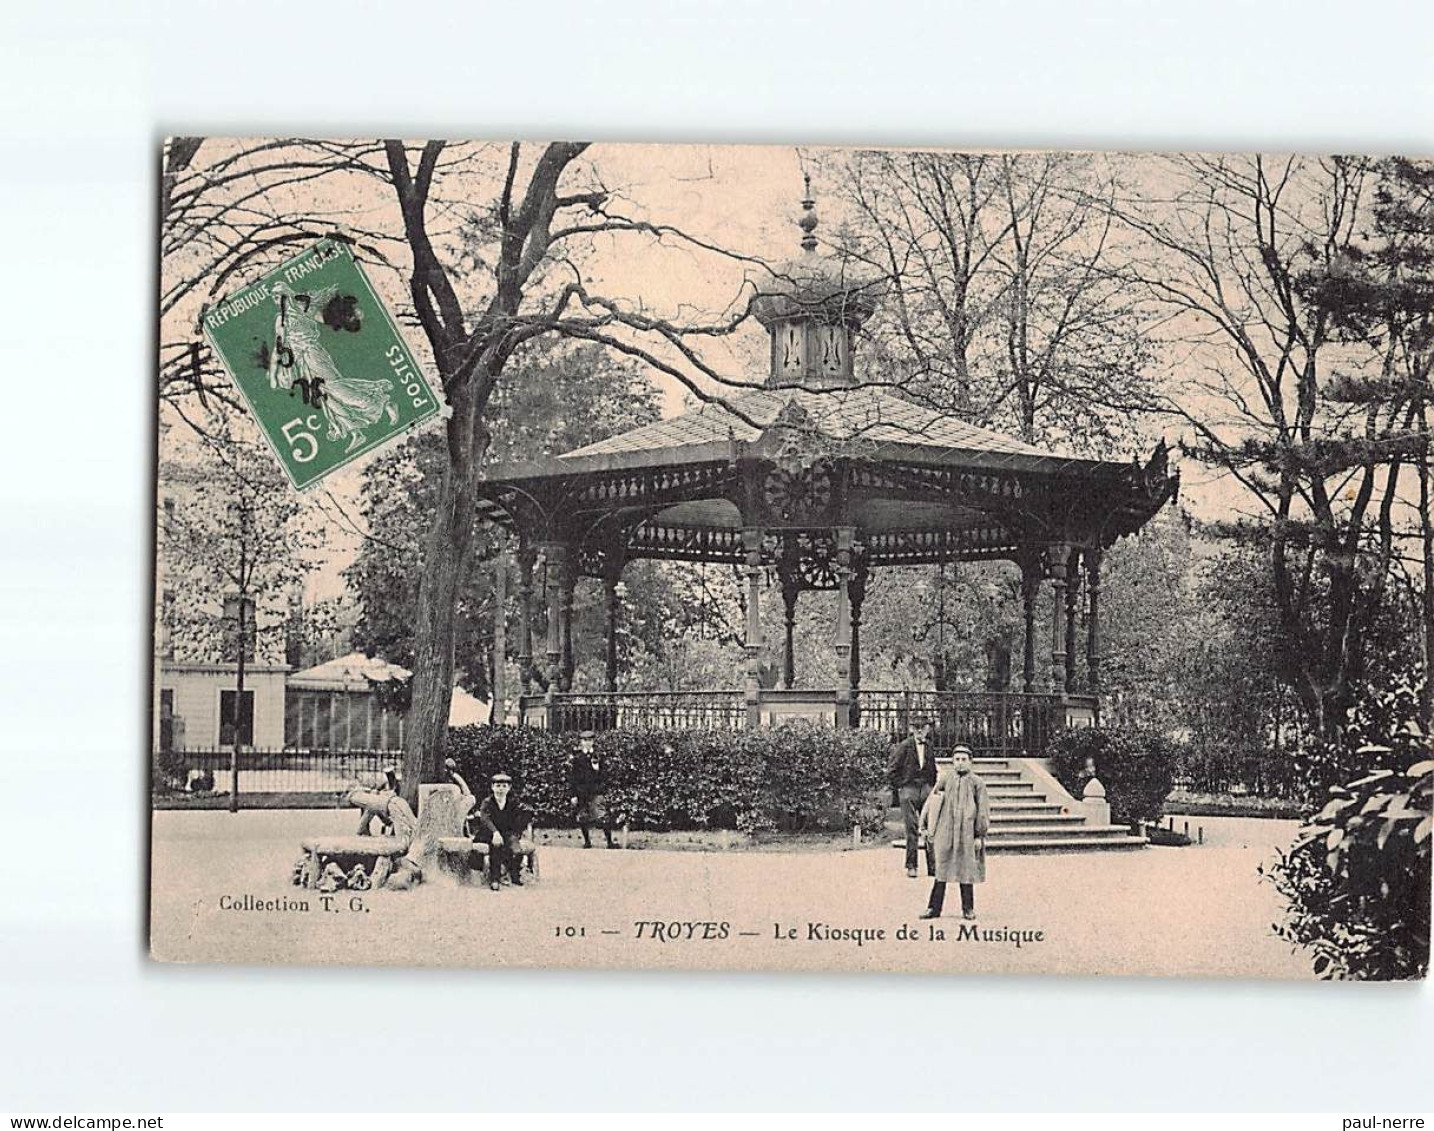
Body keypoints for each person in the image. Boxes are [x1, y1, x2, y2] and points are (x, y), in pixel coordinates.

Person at [268, 282, 398, 453]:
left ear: (287, 294)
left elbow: (325, 318)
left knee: (334, 387)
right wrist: (274, 372)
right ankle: (354, 431)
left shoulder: (302, 307)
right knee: (324, 396)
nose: (276, 299)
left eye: (278, 295)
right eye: (273, 297)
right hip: (302, 362)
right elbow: (279, 346)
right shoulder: (282, 319)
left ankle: (382, 401)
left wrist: (347, 315)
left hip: (313, 354)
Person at [919, 745, 991, 920]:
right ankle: (934, 908)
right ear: (952, 761)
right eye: (957, 760)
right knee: (941, 869)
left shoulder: (977, 783)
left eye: (963, 760)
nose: (959, 763)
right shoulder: (945, 779)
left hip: (967, 833)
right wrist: (927, 826)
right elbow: (932, 803)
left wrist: (979, 835)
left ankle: (968, 908)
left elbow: (982, 811)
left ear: (970, 762)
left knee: (966, 869)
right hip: (946, 831)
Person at [887, 717, 937, 878]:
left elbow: (932, 769)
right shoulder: (904, 746)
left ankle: (933, 866)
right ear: (911, 729)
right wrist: (902, 787)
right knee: (911, 828)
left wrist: (931, 787)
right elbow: (891, 771)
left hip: (926, 789)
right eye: (917, 727)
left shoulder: (929, 746)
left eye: (923, 727)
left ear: (928, 729)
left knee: (931, 828)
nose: (920, 731)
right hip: (909, 789)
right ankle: (912, 865)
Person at [473, 772, 533, 891]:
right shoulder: (487, 802)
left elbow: (524, 814)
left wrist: (518, 829)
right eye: (498, 786)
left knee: (516, 850)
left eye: (504, 786)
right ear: (492, 787)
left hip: (507, 832)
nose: (500, 789)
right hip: (489, 833)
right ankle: (495, 878)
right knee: (496, 847)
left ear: (509, 788)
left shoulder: (512, 802)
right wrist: (495, 832)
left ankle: (514, 874)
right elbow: (485, 819)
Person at [569, 731, 616, 849]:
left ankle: (609, 842)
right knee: (583, 817)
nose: (587, 743)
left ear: (593, 742)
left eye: (590, 740)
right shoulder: (577, 758)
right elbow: (573, 778)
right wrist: (573, 795)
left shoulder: (599, 757)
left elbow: (605, 775)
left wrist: (597, 769)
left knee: (602, 816)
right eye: (585, 741)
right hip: (582, 792)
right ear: (581, 742)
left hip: (596, 791)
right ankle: (587, 841)